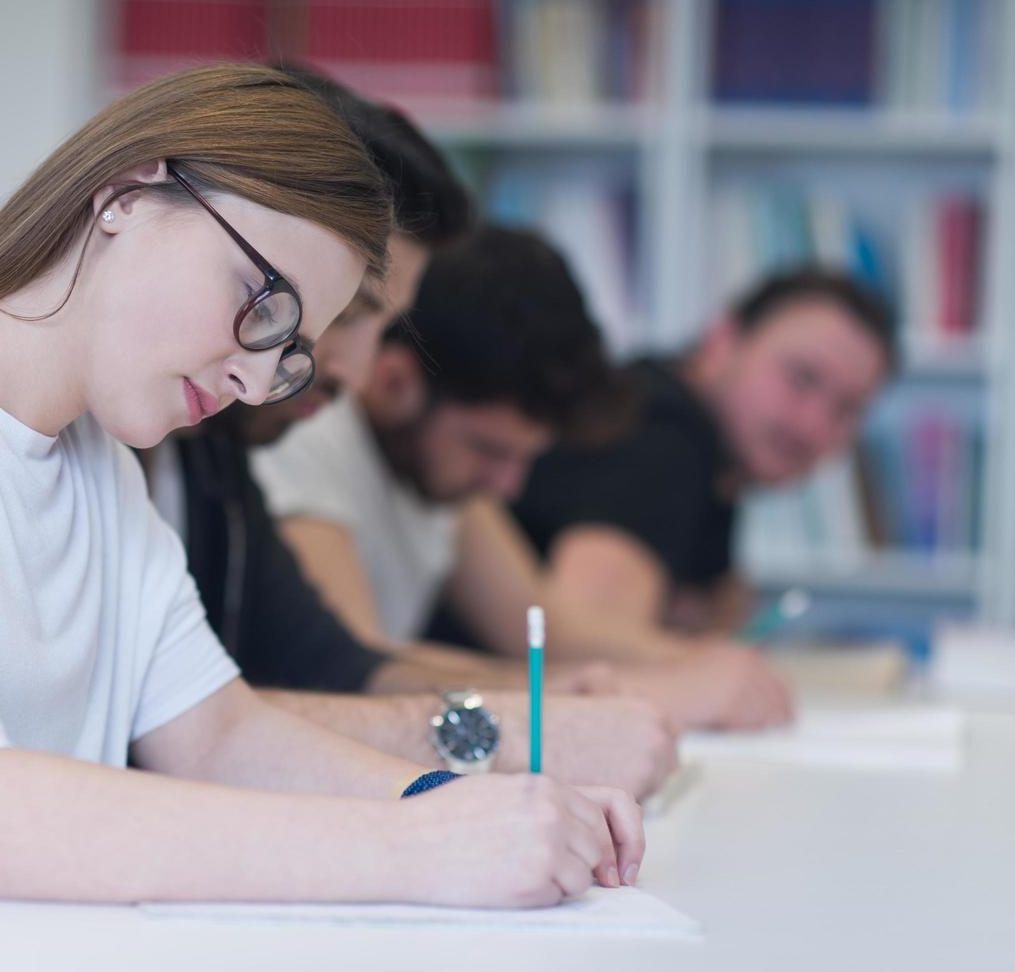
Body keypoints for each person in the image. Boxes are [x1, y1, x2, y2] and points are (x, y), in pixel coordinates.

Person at [0, 66, 644, 971]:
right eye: (260, 301)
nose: (251, 370)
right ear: (129, 195)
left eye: (288, 352)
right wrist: (427, 849)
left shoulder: (102, 472)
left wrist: (453, 801)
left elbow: (217, 734)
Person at [139, 67, 676, 798]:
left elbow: (336, 667)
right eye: (346, 315)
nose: (357, 372)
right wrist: (509, 730)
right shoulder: (204, 433)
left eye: (372, 322)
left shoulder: (212, 448)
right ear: (127, 202)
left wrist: (551, 706)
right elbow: (169, 730)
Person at [252, 225, 794, 731]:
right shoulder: (309, 433)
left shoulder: (434, 461)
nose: (508, 485)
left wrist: (708, 664)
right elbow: (355, 666)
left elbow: (544, 631)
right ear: (397, 383)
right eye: (489, 449)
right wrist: (638, 691)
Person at [513, 269, 894, 638]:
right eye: (802, 377)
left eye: (847, 408)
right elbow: (586, 655)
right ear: (723, 340)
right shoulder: (661, 436)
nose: (814, 426)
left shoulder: (711, 456)